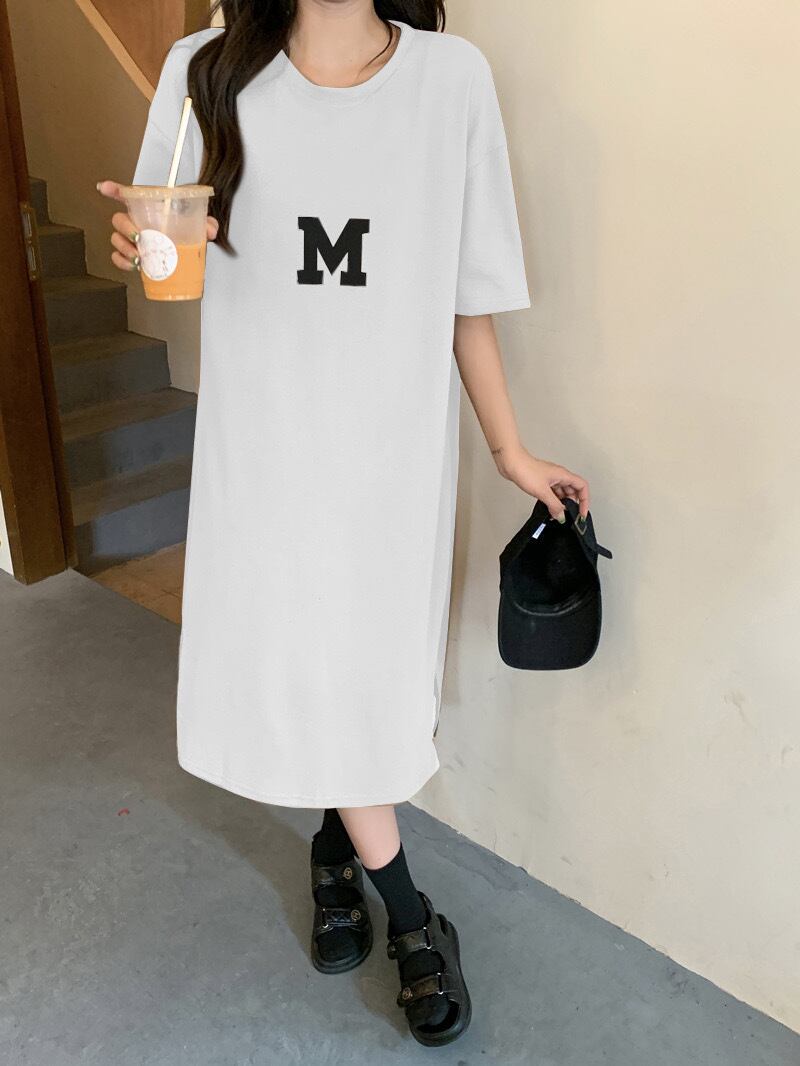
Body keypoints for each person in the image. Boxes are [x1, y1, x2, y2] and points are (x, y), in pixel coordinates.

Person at [99, 0, 589, 1048]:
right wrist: (140, 244)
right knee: (301, 659)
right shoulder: (205, 70)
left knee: (360, 674)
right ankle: (412, 916)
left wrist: (508, 449)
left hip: (390, 458)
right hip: (265, 453)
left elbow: (465, 293)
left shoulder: (450, 81)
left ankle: (333, 848)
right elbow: (162, 243)